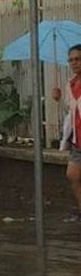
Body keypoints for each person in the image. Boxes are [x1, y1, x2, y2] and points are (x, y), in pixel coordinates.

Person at [53, 44, 81, 221]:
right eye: (71, 60)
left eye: (78, 59)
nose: (74, 63)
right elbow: (71, 111)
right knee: (72, 175)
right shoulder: (71, 84)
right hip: (78, 140)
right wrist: (59, 98)